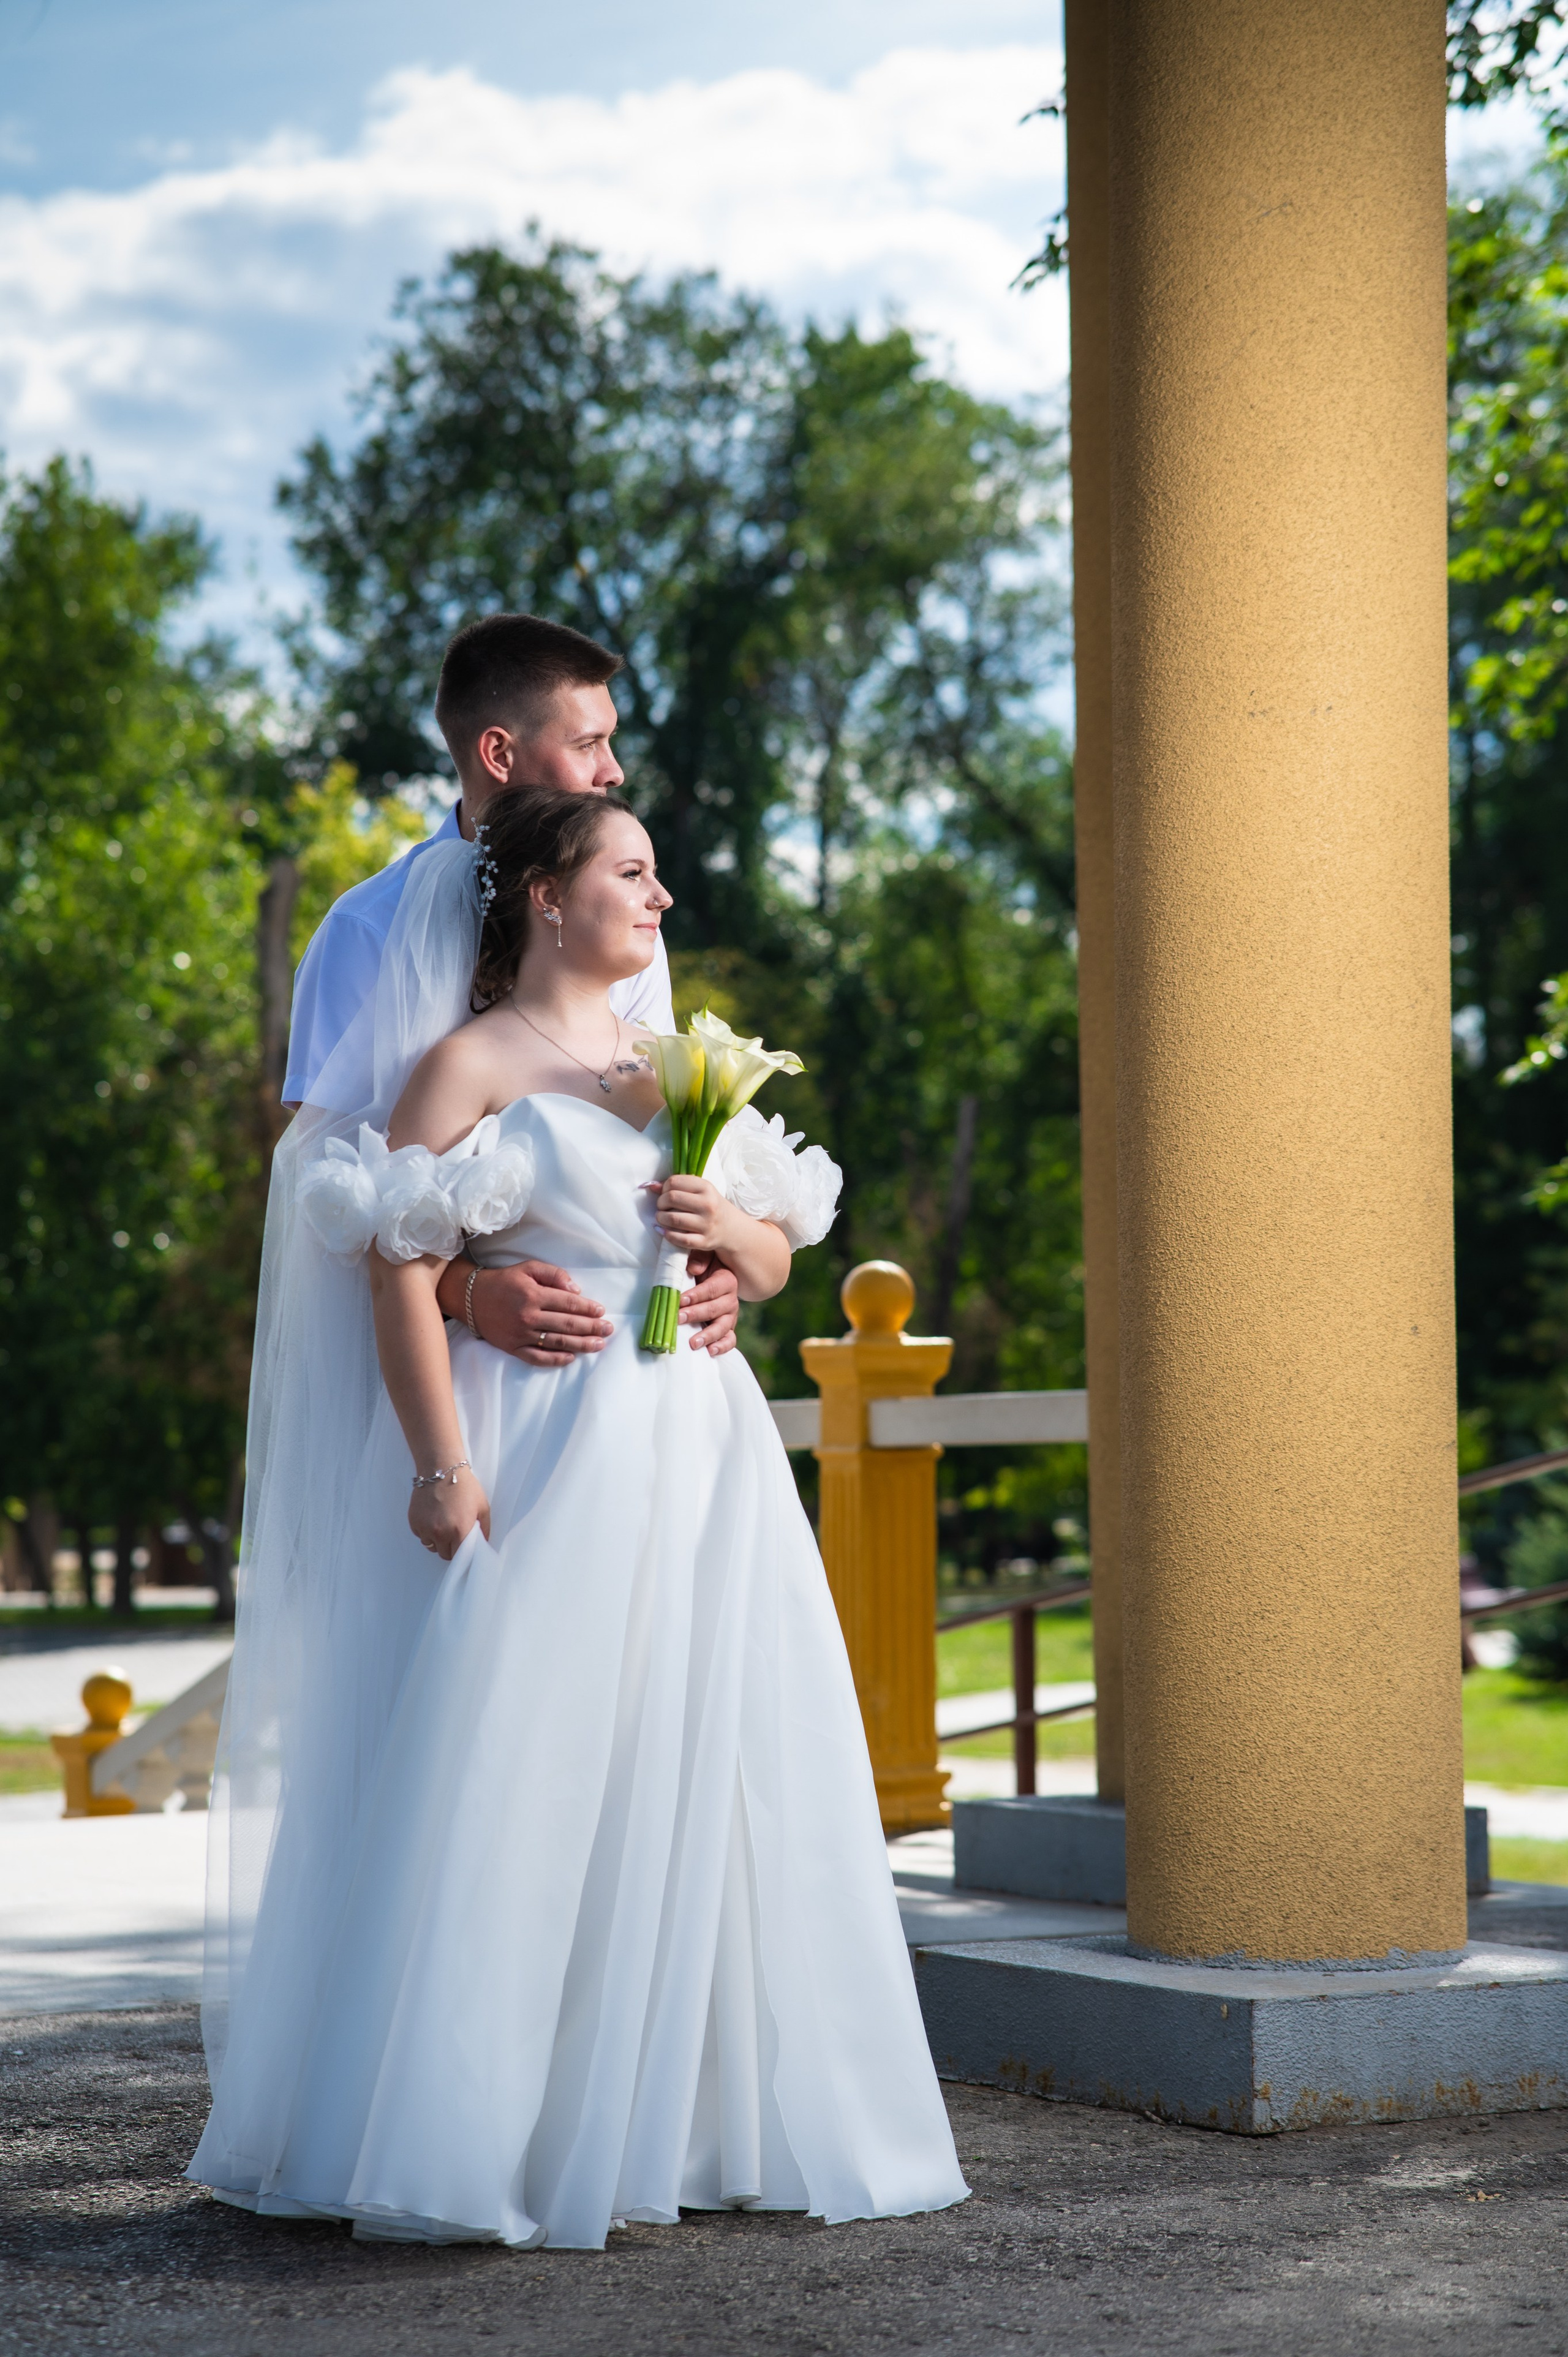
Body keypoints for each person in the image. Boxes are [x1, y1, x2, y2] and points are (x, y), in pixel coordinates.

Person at [188, 789, 967, 2247]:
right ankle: (490, 2120)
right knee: (526, 1767)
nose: (657, 895)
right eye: (629, 870)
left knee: (705, 1752)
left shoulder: (676, 1063)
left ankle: (693, 2114)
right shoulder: (466, 1063)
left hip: (702, 1446)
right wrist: (438, 1465)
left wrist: (723, 1238)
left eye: (656, 871)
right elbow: (392, 1270)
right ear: (543, 894)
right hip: (545, 1449)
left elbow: (772, 1256)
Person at [285, 610, 740, 1365]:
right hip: (415, 1367)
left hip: (629, 1356)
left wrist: (714, 1266)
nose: (614, 770)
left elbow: (659, 1130)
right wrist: (465, 1290)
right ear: (498, 751)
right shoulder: (363, 930)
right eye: (588, 743)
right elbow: (324, 1188)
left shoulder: (622, 919)